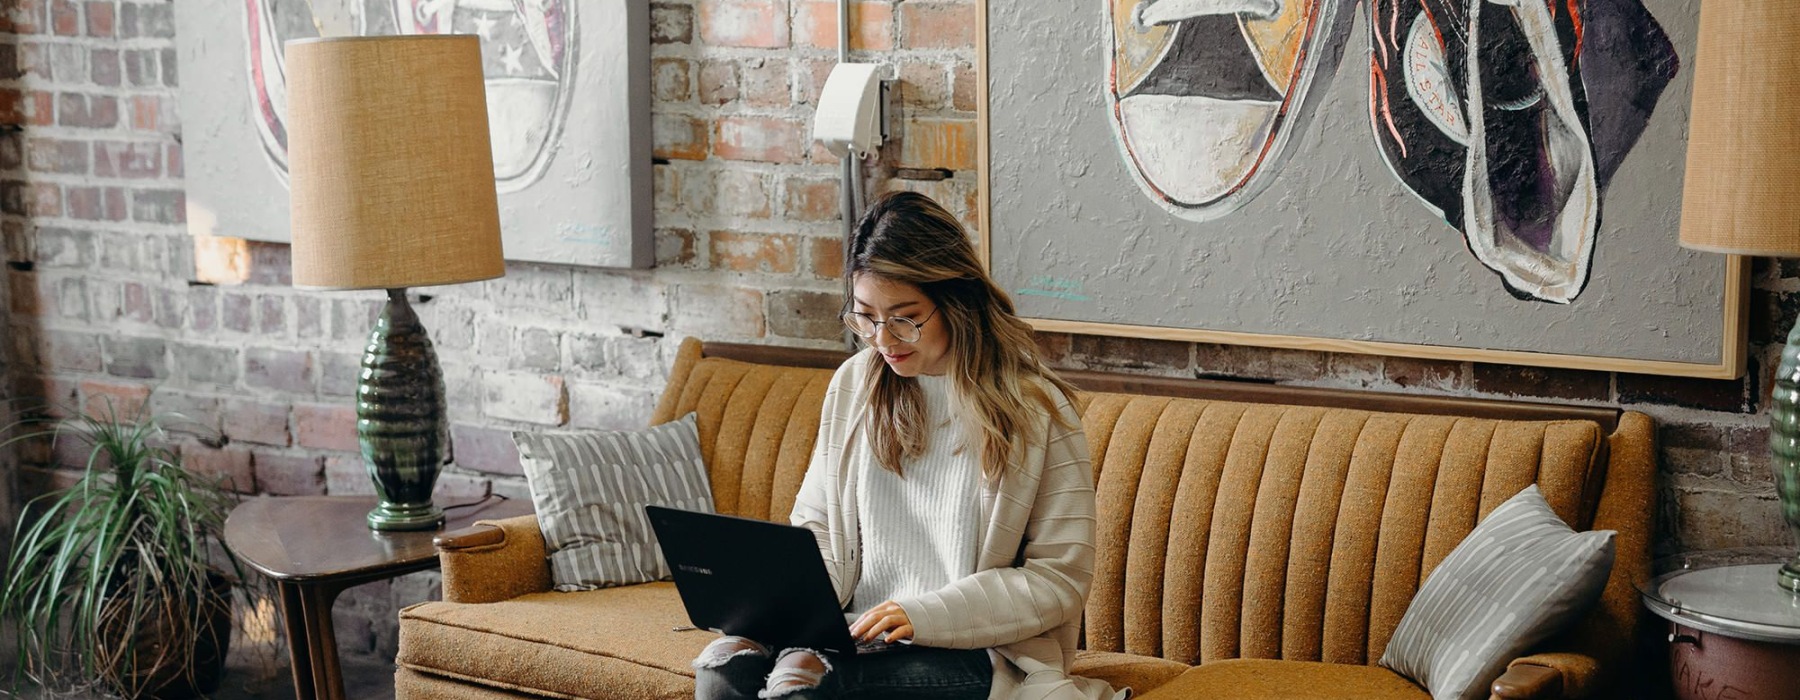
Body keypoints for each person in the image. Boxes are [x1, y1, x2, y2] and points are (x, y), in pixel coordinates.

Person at [691, 191, 1119, 700]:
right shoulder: (855, 385)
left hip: (977, 653)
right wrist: (787, 609)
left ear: (957, 299)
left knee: (803, 685)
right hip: (852, 635)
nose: (883, 339)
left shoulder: (1034, 408)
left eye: (904, 317)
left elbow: (1058, 580)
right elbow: (819, 527)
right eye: (865, 317)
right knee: (724, 667)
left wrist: (920, 615)